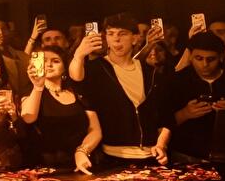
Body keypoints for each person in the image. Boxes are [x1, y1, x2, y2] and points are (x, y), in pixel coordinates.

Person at [69, 12, 165, 165]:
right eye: (111, 34)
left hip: (151, 155)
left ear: (135, 38)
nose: (116, 39)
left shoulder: (150, 71)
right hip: (113, 156)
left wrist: (162, 144)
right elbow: (76, 77)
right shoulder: (97, 68)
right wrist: (79, 55)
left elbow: (164, 115)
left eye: (122, 34)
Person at [153, 31, 225, 164]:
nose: (205, 64)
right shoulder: (176, 81)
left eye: (211, 59)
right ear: (191, 56)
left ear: (221, 57)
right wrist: (185, 113)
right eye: (199, 58)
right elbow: (161, 121)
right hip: (186, 154)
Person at [20, 48, 99, 172]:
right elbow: (28, 118)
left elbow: (95, 130)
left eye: (55, 61)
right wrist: (38, 87)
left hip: (81, 163)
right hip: (45, 168)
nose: (49, 64)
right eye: (44, 61)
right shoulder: (31, 91)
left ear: (64, 67)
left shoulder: (77, 92)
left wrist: (82, 151)